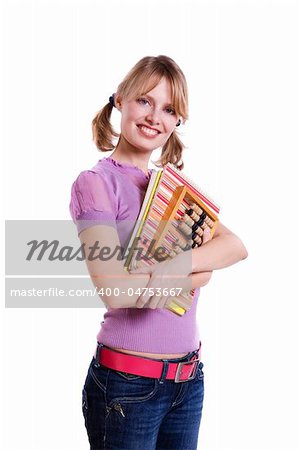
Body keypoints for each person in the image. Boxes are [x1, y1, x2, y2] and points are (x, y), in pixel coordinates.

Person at [69, 55, 248, 450]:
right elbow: (114, 290)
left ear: (176, 122)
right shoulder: (95, 184)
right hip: (128, 387)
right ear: (120, 100)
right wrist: (200, 274)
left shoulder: (172, 190)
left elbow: (235, 247)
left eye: (169, 110)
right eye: (145, 101)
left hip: (188, 383)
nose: (155, 117)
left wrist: (178, 264)